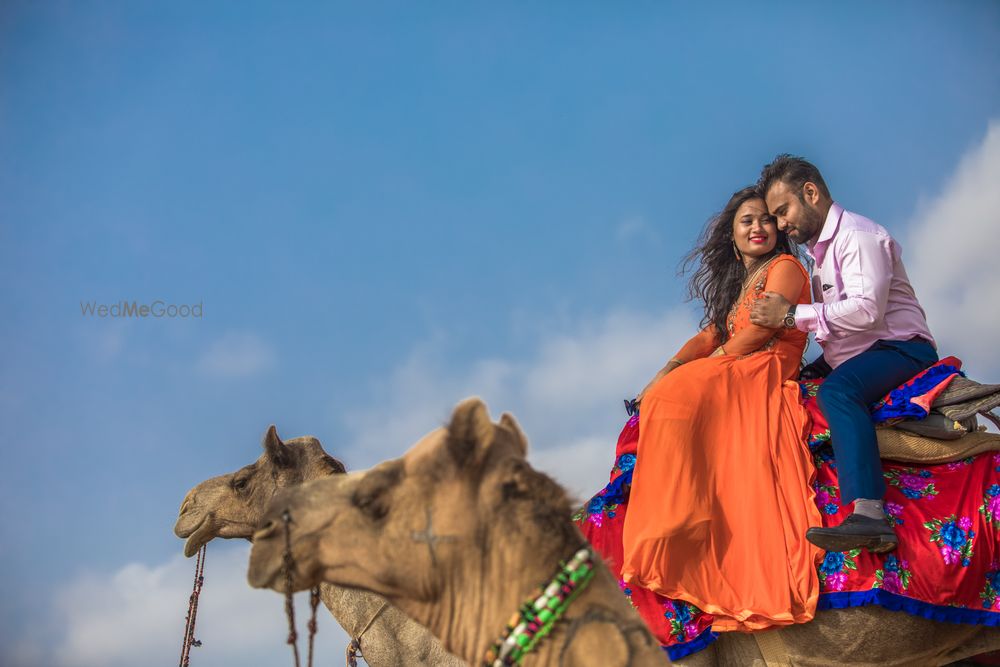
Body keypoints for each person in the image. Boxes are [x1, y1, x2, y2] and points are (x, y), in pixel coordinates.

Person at [620, 186, 823, 632]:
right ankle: (681, 508)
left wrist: (710, 366)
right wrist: (667, 369)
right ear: (732, 237)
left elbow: (761, 330)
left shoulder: (785, 267)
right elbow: (707, 336)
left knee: (681, 393)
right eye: (747, 221)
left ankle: (686, 512)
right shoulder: (739, 286)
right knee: (664, 392)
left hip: (765, 365)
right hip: (736, 362)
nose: (758, 227)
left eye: (766, 219)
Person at [750, 154, 937, 553]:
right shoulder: (820, 254)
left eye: (783, 211)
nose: (781, 225)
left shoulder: (857, 236)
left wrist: (788, 315)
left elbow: (867, 311)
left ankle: (869, 513)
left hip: (902, 349)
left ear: (811, 193)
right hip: (859, 353)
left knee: (837, 393)